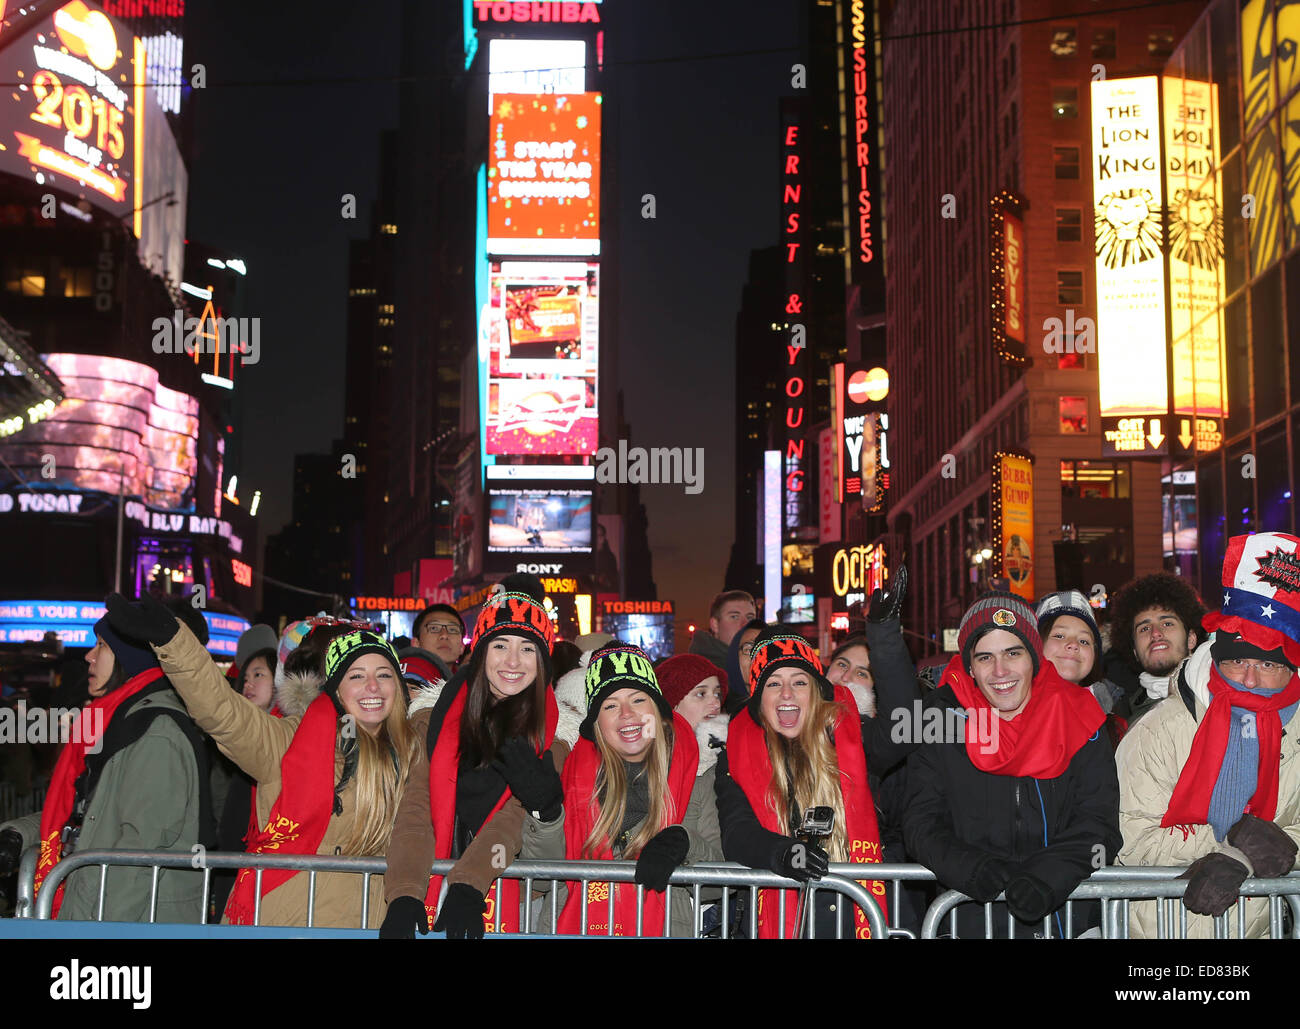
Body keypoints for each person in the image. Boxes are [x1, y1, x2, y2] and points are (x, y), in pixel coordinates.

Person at [102, 593, 418, 929]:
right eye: (356, 675)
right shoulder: (290, 741)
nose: (372, 685)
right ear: (336, 689)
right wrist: (175, 642)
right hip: (289, 926)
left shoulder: (415, 749)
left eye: (383, 674)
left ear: (398, 685)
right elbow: (224, 713)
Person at [903, 593, 1121, 938]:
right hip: (969, 917)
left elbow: (1100, 826)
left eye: (1013, 653)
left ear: (1034, 658)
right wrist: (976, 871)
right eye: (985, 657)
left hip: (1067, 916)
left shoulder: (1081, 719)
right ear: (970, 668)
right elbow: (919, 826)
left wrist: (1049, 877)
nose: (1000, 671)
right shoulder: (939, 724)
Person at [1116, 532, 1300, 937]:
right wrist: (1229, 842)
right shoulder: (1156, 730)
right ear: (1216, 659)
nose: (1250, 679)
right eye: (1236, 661)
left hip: (1257, 929)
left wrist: (1245, 858)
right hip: (1157, 931)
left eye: (1267, 665)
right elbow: (1133, 839)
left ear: (1291, 670)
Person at [0, 597, 212, 923]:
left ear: (133, 657)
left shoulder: (154, 733)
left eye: (102, 645)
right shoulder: (119, 722)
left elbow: (136, 858)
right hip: (96, 910)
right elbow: (94, 813)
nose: (88, 656)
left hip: (126, 929)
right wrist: (19, 834)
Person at [381, 591, 567, 939]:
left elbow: (510, 823)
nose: (513, 661)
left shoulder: (554, 738)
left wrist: (468, 884)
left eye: (527, 649)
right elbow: (416, 808)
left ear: (542, 663)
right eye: (500, 646)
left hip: (513, 903)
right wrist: (405, 893)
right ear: (480, 654)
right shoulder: (432, 719)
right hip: (429, 889)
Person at [713, 625, 902, 938]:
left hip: (857, 915)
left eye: (799, 682)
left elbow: (903, 725)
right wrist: (784, 853)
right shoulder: (735, 754)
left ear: (816, 691)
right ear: (759, 700)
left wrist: (886, 636)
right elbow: (736, 830)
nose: (787, 693)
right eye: (773, 684)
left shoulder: (856, 738)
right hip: (788, 916)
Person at [521, 642, 721, 936]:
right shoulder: (564, 776)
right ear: (598, 723)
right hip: (575, 928)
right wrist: (546, 815)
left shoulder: (698, 777)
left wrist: (684, 843)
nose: (626, 714)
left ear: (657, 710)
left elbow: (717, 886)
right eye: (610, 705)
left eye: (638, 700)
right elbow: (538, 879)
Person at [1105, 572, 1206, 724]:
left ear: (1191, 639)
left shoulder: (1219, 698)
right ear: (1135, 652)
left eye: (1167, 623)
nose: (1156, 633)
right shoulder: (1120, 722)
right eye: (1144, 628)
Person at [1037, 589, 1127, 744]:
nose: (1073, 644)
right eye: (1059, 636)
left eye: (1084, 641)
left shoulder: (1114, 727)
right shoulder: (1006, 713)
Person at [689, 589, 756, 667]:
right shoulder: (700, 671)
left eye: (750, 618)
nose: (745, 624)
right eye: (734, 617)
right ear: (715, 625)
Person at [723, 618, 766, 714]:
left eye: (764, 649)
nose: (757, 656)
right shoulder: (716, 710)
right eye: (749, 649)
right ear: (733, 658)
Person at [411, 604, 467, 672]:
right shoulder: (399, 680)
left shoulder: (472, 681)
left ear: (462, 647)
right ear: (416, 644)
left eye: (452, 630)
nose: (444, 635)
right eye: (434, 628)